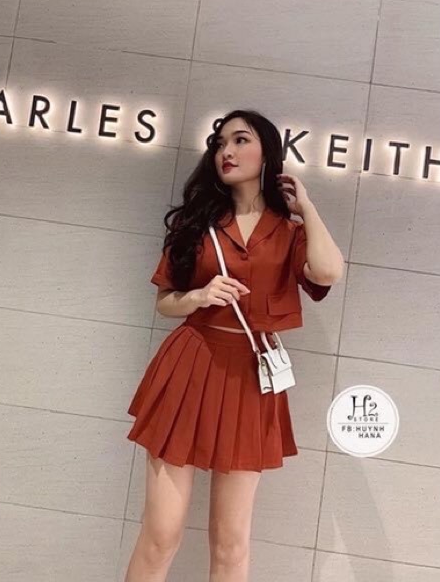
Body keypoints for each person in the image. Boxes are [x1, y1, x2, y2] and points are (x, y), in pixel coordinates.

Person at [124, 109, 344, 582]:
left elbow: (328, 273)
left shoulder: (289, 231)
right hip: (190, 366)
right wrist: (199, 296)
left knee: (231, 543)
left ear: (267, 152)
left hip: (251, 377)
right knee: (161, 533)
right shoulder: (198, 222)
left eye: (241, 140)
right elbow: (165, 301)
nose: (227, 151)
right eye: (221, 143)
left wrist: (307, 209)